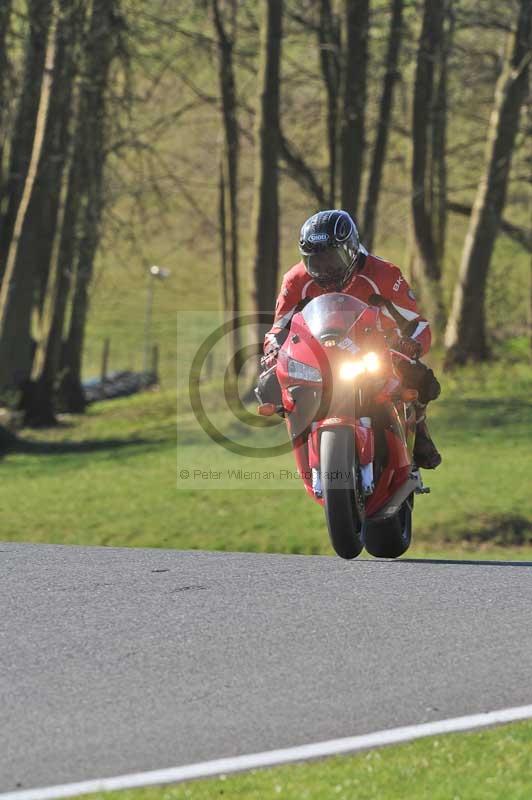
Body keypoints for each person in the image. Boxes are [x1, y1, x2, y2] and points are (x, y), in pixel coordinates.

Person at [257, 209, 441, 469]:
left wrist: (410, 346)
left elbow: (417, 324)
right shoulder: (296, 280)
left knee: (421, 380)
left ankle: (419, 429)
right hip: (319, 355)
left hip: (376, 350)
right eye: (315, 262)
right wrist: (273, 353)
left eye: (332, 260)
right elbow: (278, 329)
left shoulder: (384, 274)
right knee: (268, 385)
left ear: (352, 250)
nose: (324, 271)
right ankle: (303, 440)